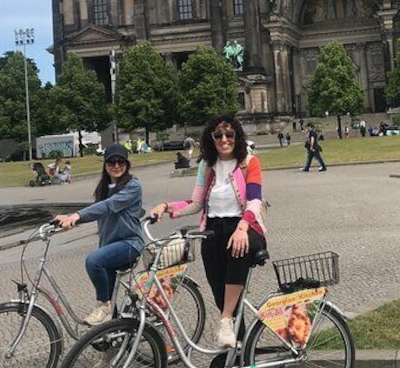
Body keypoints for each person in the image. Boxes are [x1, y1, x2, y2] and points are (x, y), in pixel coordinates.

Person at [149, 114, 267, 349]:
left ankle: (225, 322)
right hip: (212, 230)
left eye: (229, 134)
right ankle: (240, 349)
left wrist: (243, 227)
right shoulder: (207, 165)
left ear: (237, 136)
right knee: (220, 295)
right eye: (219, 135)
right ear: (211, 138)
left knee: (238, 251)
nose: (224, 139)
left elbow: (254, 200)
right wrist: (167, 207)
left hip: (244, 227)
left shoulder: (249, 162)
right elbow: (195, 203)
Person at [54, 143, 144, 326]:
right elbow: (98, 210)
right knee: (110, 299)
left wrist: (77, 215)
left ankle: (102, 307)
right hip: (109, 247)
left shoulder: (133, 185)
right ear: (105, 164)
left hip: (130, 244)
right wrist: (68, 220)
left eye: (121, 162)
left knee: (93, 261)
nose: (116, 165)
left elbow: (108, 206)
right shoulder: (103, 188)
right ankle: (117, 338)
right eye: (112, 162)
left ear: (127, 165)